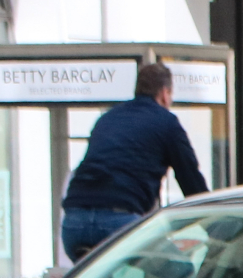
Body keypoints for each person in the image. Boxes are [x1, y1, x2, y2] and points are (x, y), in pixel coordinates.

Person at [61, 61, 206, 260]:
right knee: (178, 271)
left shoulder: (108, 118)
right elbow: (192, 183)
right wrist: (212, 223)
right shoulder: (167, 122)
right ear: (165, 93)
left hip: (74, 224)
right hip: (119, 222)